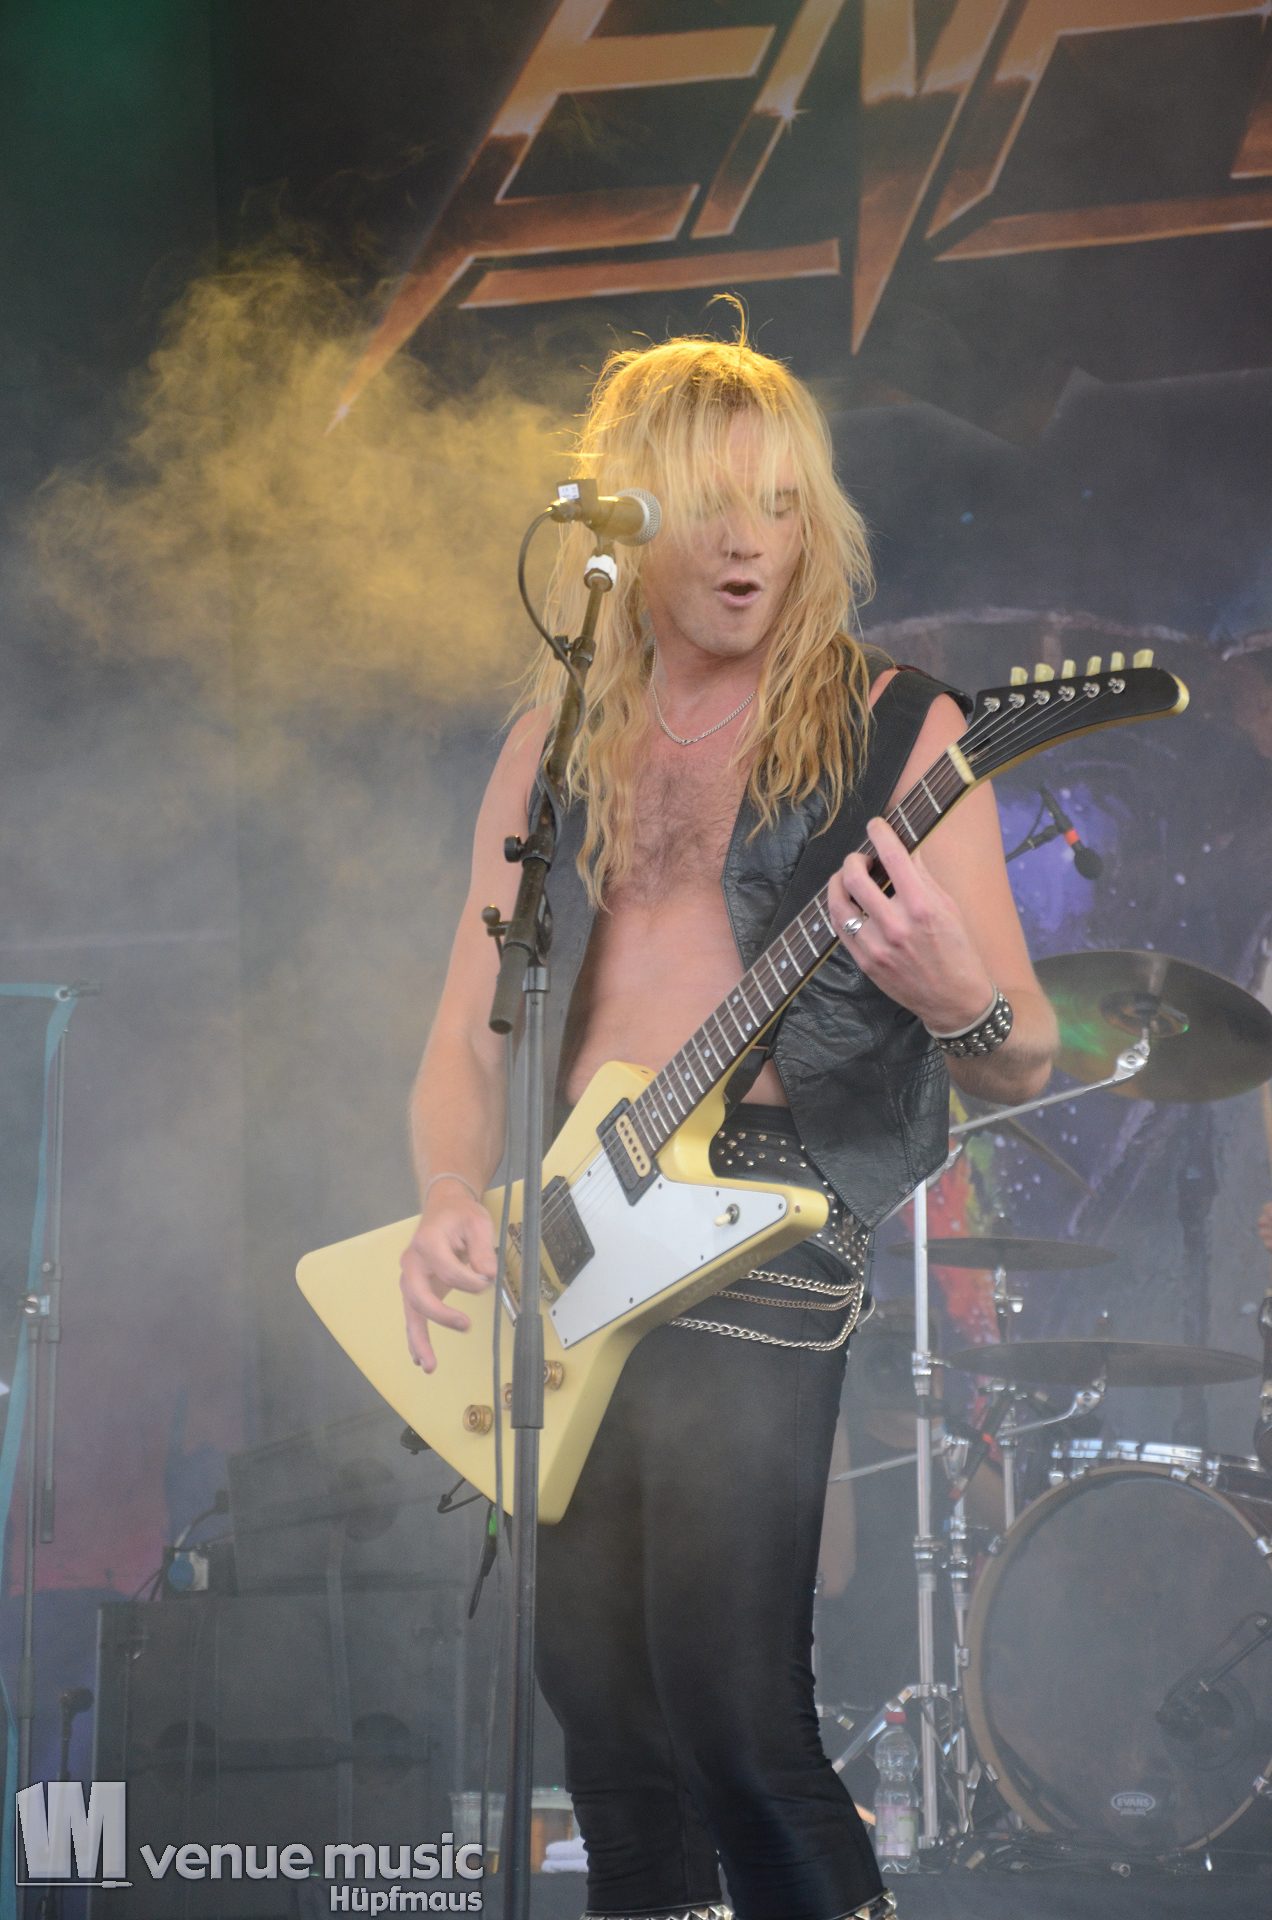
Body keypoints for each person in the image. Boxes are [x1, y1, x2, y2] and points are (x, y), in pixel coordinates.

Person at [398, 326, 1057, 1920]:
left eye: (777, 502)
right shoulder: (554, 743)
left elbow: (1024, 1055)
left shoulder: (903, 730)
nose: (750, 539)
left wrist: (956, 992)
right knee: (602, 1729)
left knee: (730, 1711)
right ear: (630, 522)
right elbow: (467, 1037)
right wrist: (446, 1195)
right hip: (573, 1238)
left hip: (763, 1226)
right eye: (708, 505)